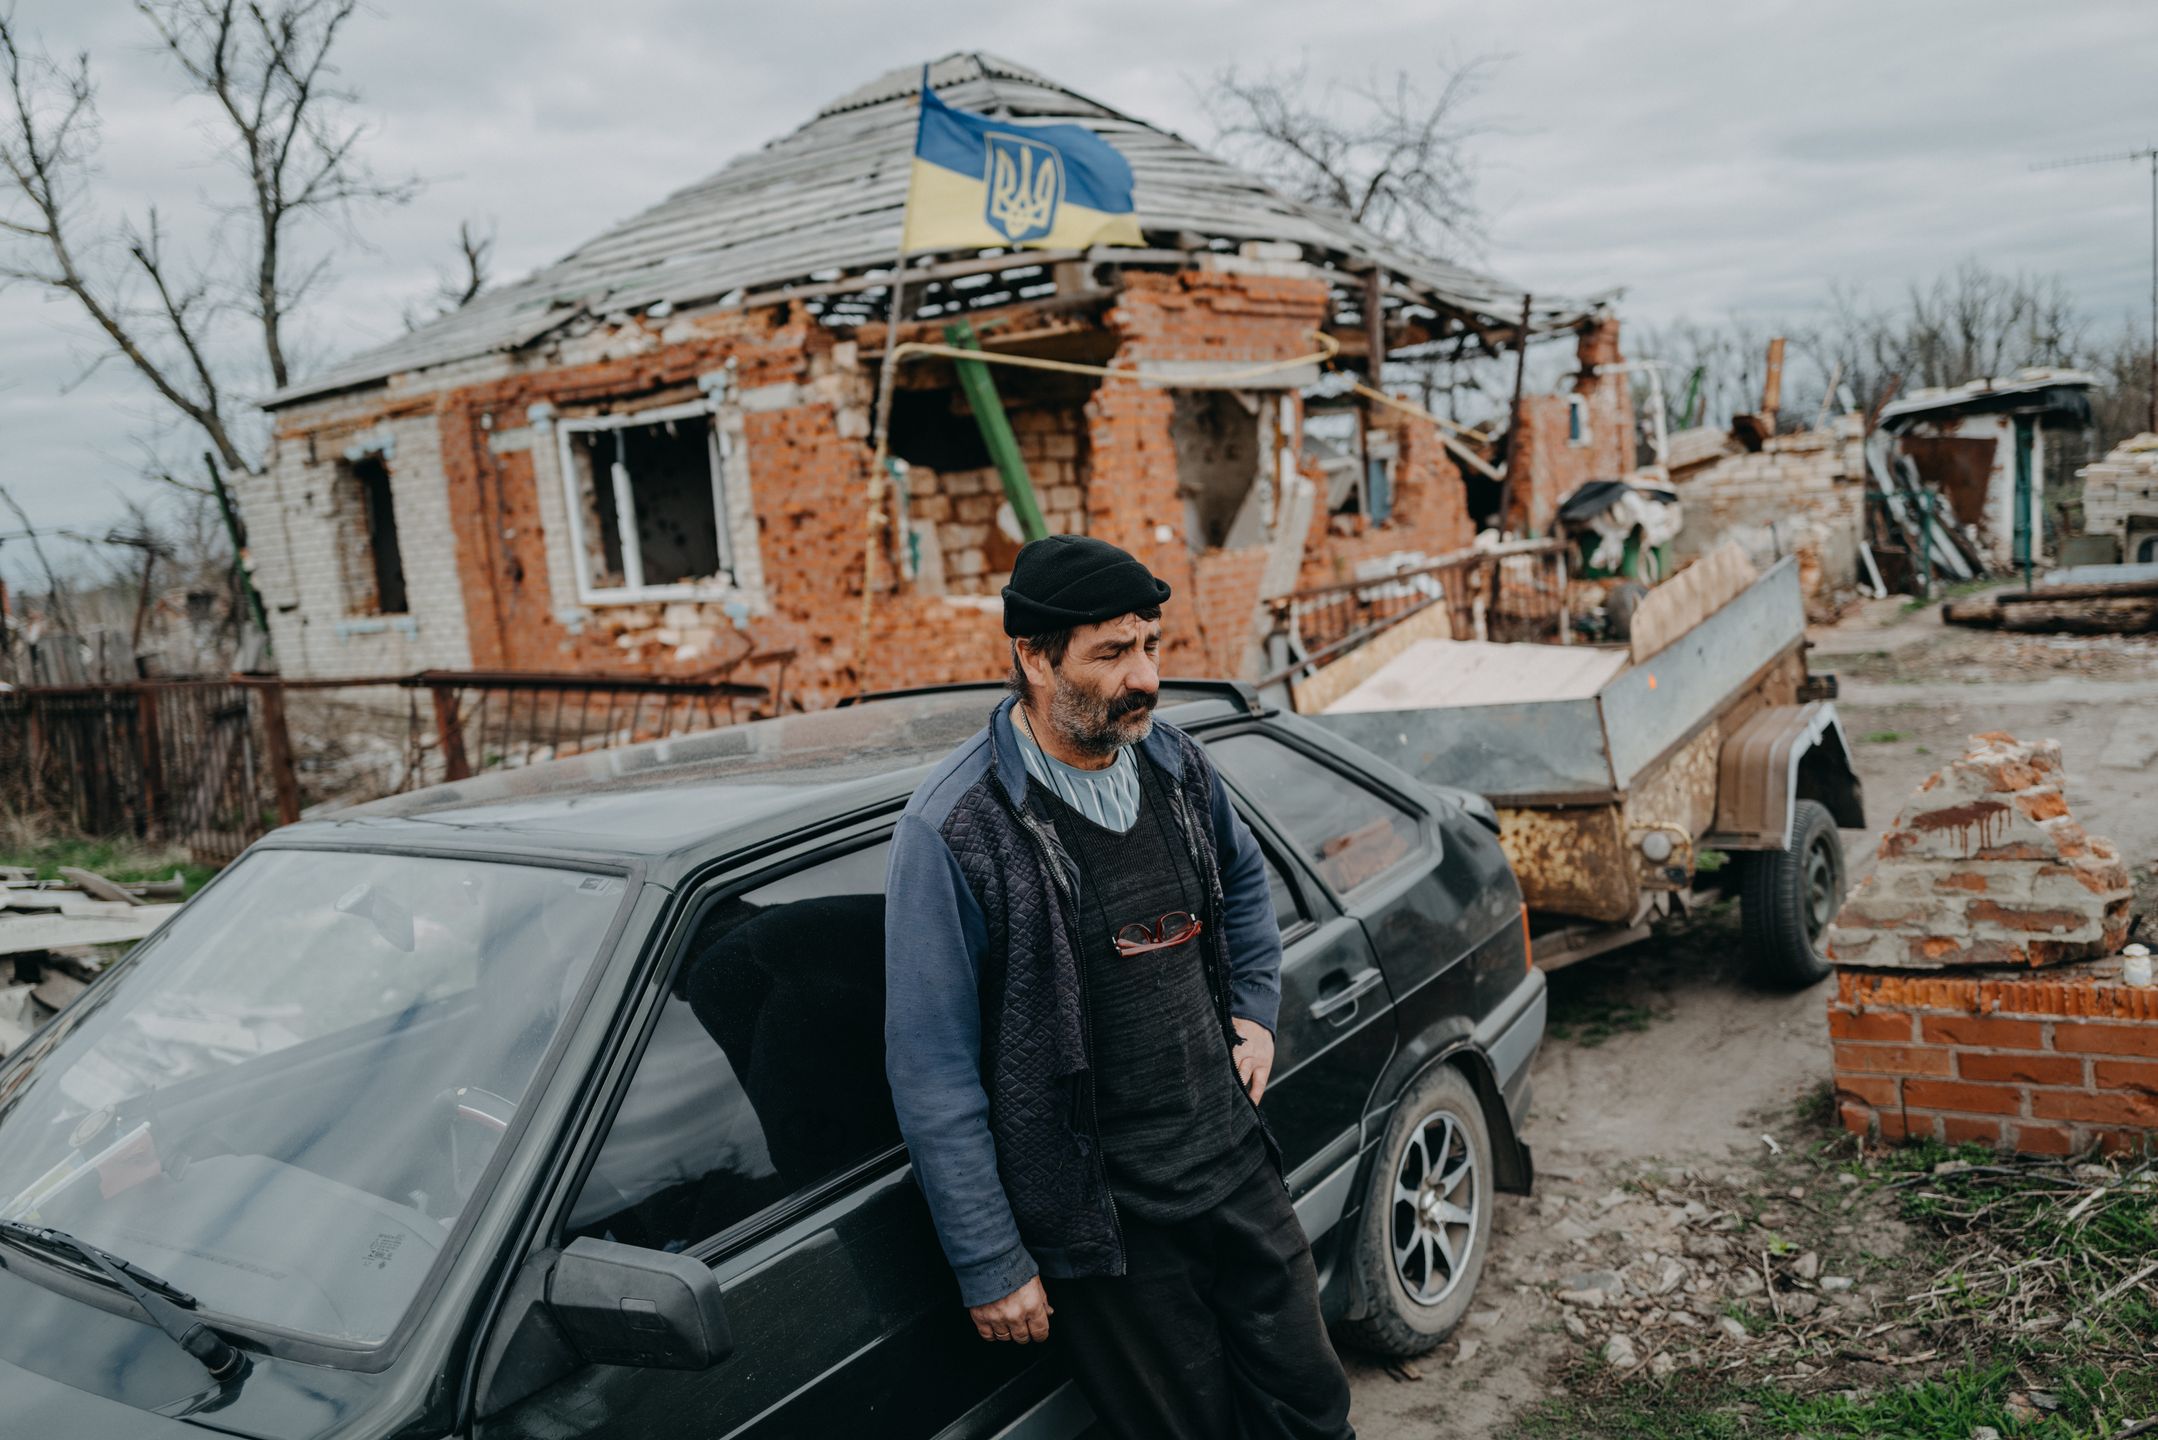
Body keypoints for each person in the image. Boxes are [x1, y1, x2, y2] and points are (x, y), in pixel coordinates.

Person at [885, 534, 1356, 1439]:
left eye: (1150, 645)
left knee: (1310, 1404)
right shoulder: (956, 830)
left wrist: (1254, 1012)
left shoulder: (1176, 763)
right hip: (1107, 1221)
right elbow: (932, 1069)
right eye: (1112, 654)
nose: (1145, 677)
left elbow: (1246, 883)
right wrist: (990, 1259)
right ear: (1032, 657)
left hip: (1232, 1165)